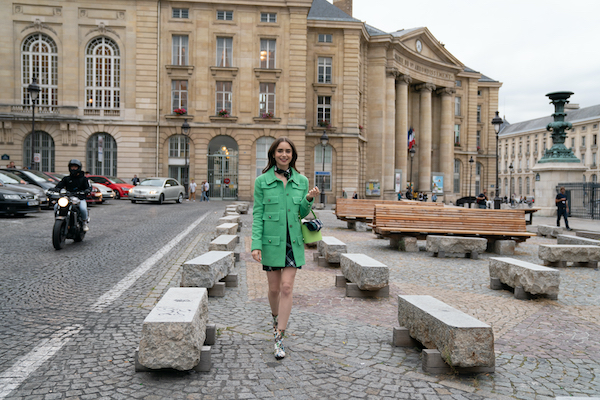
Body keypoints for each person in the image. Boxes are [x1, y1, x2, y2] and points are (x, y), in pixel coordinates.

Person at [251, 137, 320, 360]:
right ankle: (275, 318)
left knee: (287, 287)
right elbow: (258, 214)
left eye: (288, 151)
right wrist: (255, 244)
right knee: (273, 289)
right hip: (271, 242)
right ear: (273, 154)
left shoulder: (301, 180)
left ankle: (279, 338)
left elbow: (301, 212)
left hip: (294, 242)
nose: (284, 154)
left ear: (293, 155)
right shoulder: (262, 181)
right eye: (280, 151)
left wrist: (308, 198)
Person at [53, 159, 91, 231]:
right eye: (72, 167)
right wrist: (55, 189)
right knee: (56, 206)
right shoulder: (66, 179)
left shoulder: (84, 179)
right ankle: (58, 220)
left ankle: (84, 223)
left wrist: (87, 190)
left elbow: (88, 187)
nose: (73, 169)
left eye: (75, 167)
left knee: (83, 209)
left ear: (79, 168)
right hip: (68, 197)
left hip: (79, 198)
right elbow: (59, 185)